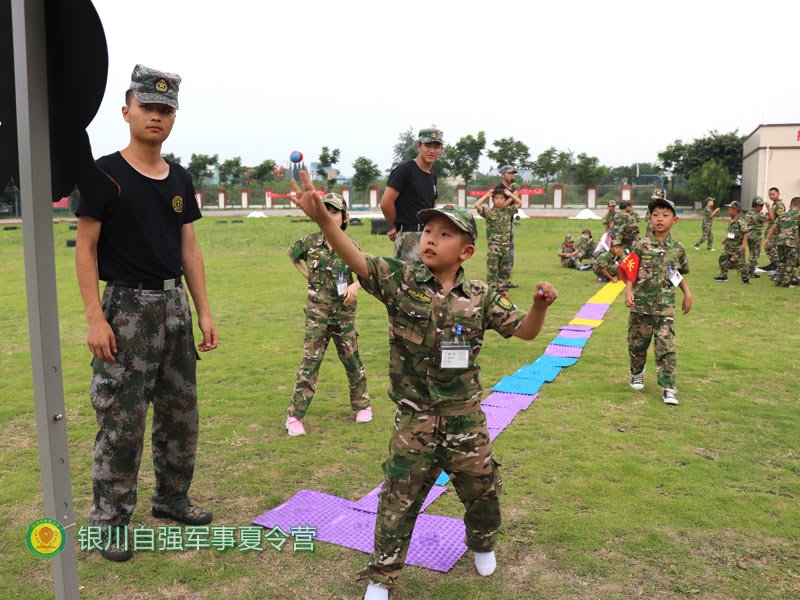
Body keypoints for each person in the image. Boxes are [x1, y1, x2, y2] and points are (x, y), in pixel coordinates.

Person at [288, 171, 557, 600]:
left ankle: (483, 544)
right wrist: (325, 222)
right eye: (428, 230)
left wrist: (541, 306)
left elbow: (524, 332)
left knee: (482, 492)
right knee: (397, 500)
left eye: (444, 234)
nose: (430, 238)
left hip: (464, 417)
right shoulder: (401, 280)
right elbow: (356, 258)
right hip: (414, 415)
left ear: (466, 250)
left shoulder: (483, 295)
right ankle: (382, 577)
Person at [75, 65, 218, 562]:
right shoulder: (103, 173)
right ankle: (109, 521)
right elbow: (85, 248)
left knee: (180, 415)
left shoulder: (179, 177)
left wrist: (202, 312)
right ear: (127, 110)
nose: (156, 116)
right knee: (121, 419)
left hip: (173, 306)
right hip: (126, 308)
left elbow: (190, 249)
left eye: (165, 109)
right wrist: (95, 318)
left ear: (173, 117)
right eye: (147, 107)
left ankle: (172, 498)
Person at [285, 192, 371, 436]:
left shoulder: (350, 246)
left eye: (334, 212)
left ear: (345, 217)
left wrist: (354, 286)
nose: (330, 216)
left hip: (343, 317)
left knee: (353, 362)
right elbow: (292, 256)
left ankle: (363, 406)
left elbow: (366, 275)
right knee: (309, 364)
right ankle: (295, 417)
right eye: (326, 211)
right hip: (317, 316)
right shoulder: (310, 242)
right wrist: (307, 276)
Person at [621, 195, 692, 406]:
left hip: (665, 308)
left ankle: (668, 388)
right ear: (649, 219)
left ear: (674, 220)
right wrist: (628, 292)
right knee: (637, 344)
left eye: (665, 215)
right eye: (655, 215)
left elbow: (676, 274)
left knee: (666, 347)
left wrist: (687, 294)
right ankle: (637, 372)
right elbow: (630, 271)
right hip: (641, 306)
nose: (660, 219)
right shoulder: (641, 245)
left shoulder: (678, 248)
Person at [380, 128, 443, 264]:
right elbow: (386, 204)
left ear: (441, 150)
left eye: (436, 147)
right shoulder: (404, 171)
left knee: (429, 281)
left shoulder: (432, 175)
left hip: (429, 236)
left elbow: (432, 206)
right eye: (427, 146)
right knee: (409, 282)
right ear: (419, 146)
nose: (432, 151)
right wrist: (399, 226)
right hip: (409, 237)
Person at [474, 186, 520, 293]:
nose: (499, 201)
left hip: (505, 247)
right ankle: (492, 291)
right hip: (493, 248)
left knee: (504, 270)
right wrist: (486, 195)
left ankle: (502, 290)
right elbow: (477, 205)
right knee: (492, 270)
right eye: (497, 198)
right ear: (493, 200)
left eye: (502, 198)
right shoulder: (489, 212)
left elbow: (519, 204)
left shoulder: (508, 211)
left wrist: (511, 195)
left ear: (505, 200)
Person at [495, 165, 522, 287]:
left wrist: (513, 195)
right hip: (501, 224)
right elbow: (499, 207)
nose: (512, 176)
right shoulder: (499, 189)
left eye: (513, 173)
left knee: (510, 254)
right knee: (501, 253)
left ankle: (506, 280)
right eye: (510, 173)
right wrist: (512, 196)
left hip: (510, 222)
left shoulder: (512, 189)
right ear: (503, 175)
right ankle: (498, 280)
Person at [764, 196, 800, 287]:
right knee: (790, 263)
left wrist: (767, 239)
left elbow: (773, 227)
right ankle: (786, 283)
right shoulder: (798, 215)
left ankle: (778, 281)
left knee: (782, 262)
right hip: (792, 243)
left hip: (780, 242)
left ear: (791, 205)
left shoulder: (782, 215)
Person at [714, 201, 748, 284]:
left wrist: (744, 244)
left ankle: (745, 279)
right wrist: (726, 239)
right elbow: (732, 232)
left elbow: (746, 232)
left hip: (737, 246)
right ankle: (723, 276)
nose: (728, 211)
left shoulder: (741, 221)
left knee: (741, 264)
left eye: (730, 209)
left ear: (736, 210)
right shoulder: (731, 220)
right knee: (722, 259)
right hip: (729, 244)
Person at [742, 197, 771, 279]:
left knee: (751, 254)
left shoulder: (748, 213)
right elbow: (771, 218)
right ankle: (745, 271)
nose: (762, 207)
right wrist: (769, 208)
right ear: (757, 206)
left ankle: (750, 272)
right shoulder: (758, 215)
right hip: (756, 237)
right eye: (761, 206)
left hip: (749, 236)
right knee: (754, 256)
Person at [760, 187, 785, 272]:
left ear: (778, 194)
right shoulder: (775, 204)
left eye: (773, 194)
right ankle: (774, 263)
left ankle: (775, 264)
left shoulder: (779, 205)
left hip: (775, 230)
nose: (771, 196)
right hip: (771, 229)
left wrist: (768, 208)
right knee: (770, 246)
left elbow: (778, 218)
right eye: (770, 195)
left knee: (770, 246)